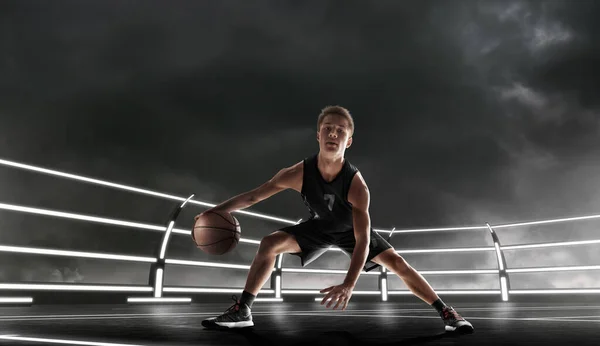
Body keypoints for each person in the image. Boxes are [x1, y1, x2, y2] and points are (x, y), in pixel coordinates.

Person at [197, 105, 474, 333]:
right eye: (327, 128)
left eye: (340, 130)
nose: (333, 133)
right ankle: (243, 310)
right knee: (269, 243)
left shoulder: (356, 186)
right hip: (319, 227)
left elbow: (363, 240)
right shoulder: (296, 173)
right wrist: (216, 212)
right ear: (318, 135)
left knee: (397, 263)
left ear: (348, 141)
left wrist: (349, 283)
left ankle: (447, 312)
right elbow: (253, 197)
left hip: (350, 232)